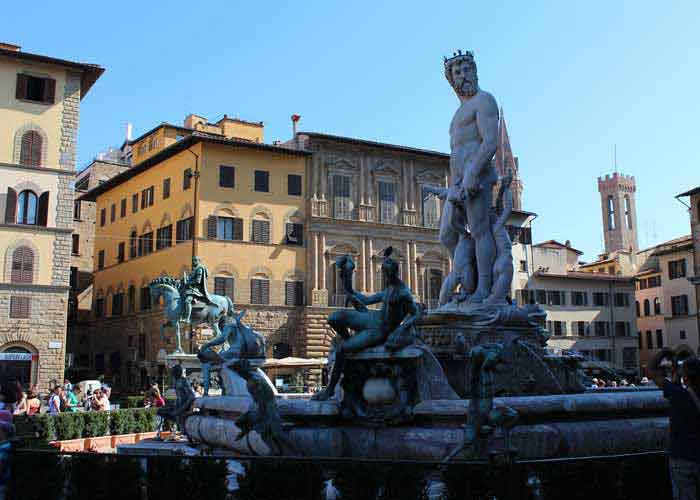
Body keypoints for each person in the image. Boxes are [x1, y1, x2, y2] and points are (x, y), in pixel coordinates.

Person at [649, 350, 700, 500]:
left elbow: (651, 370)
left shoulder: (679, 395)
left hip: (682, 457)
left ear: (686, 377)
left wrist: (665, 351)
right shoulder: (681, 394)